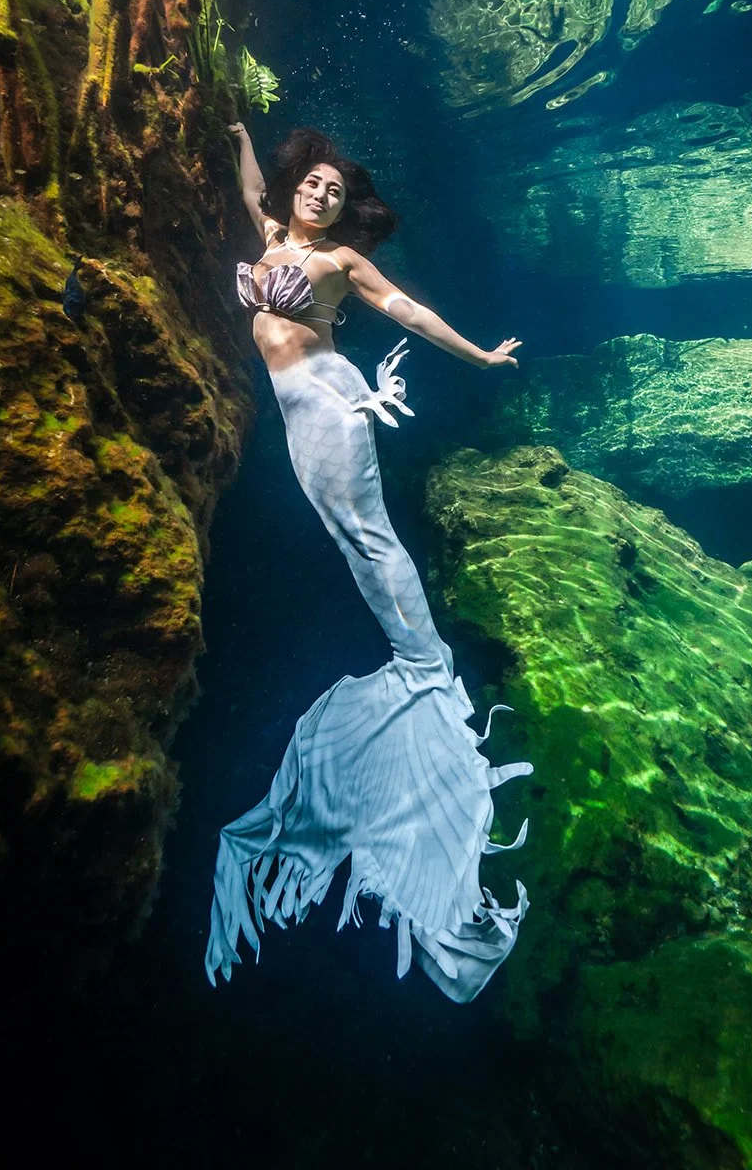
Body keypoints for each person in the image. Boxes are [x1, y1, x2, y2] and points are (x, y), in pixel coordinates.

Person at [205, 122, 532, 1003]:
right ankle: (420, 662)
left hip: (327, 398)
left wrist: (478, 354)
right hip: (295, 411)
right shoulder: (273, 235)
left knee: (367, 536)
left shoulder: (344, 265)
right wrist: (241, 135)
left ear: (347, 213)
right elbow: (248, 195)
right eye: (311, 185)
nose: (318, 197)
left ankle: (427, 669)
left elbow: (410, 313)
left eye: (333, 194)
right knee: (354, 542)